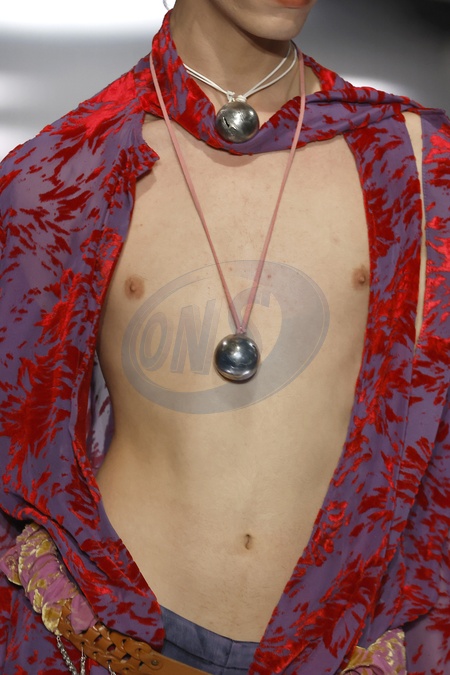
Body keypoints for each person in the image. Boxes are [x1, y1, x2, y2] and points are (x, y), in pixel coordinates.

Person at [0, 0, 449, 673]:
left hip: (342, 643)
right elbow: (19, 444)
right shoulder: (61, 176)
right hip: (119, 642)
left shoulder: (416, 164)